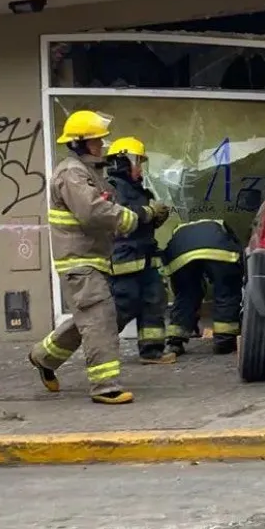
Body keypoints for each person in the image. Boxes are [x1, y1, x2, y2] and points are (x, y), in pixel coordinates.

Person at [28, 110, 162, 405]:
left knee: (88, 319)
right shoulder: (72, 173)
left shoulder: (89, 173)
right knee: (100, 319)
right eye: (97, 142)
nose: (102, 146)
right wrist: (132, 218)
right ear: (81, 143)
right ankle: (105, 385)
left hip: (92, 260)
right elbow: (92, 212)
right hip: (79, 262)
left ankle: (44, 356)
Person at [105, 137, 175, 365]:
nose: (140, 168)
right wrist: (148, 211)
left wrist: (158, 216)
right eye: (137, 162)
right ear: (123, 162)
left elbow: (144, 223)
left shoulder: (140, 190)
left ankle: (152, 351)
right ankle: (99, 349)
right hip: (124, 260)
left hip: (146, 259)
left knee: (154, 302)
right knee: (123, 307)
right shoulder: (110, 189)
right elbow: (119, 218)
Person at [163, 218, 243, 357]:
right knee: (226, 291)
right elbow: (236, 252)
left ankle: (175, 341)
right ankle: (224, 341)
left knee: (186, 294)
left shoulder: (179, 230)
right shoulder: (220, 225)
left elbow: (179, 289)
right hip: (219, 253)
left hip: (180, 258)